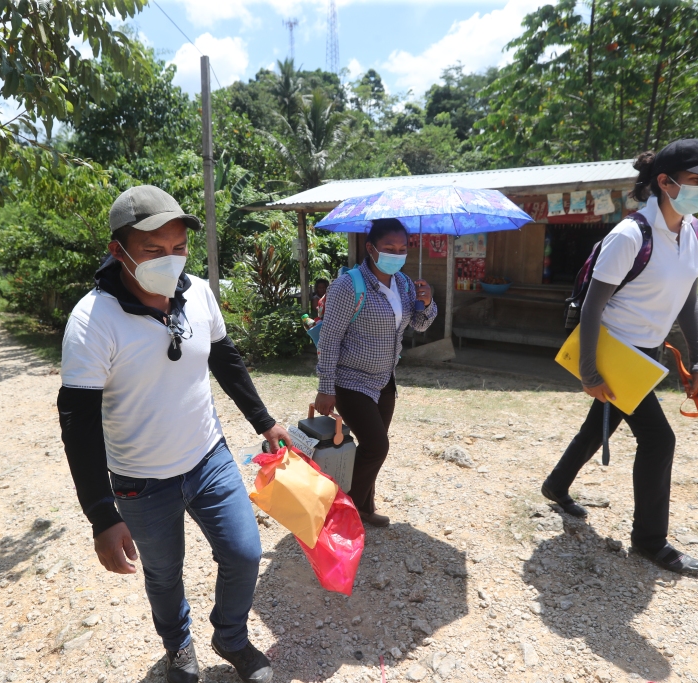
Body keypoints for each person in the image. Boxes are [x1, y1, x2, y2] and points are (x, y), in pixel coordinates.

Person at [57, 185, 289, 683]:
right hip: (141, 481)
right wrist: (101, 513)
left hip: (209, 457)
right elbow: (77, 422)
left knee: (245, 552)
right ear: (119, 251)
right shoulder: (92, 321)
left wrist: (264, 422)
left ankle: (229, 637)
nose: (171, 259)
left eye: (179, 247)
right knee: (163, 574)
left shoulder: (199, 292)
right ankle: (179, 649)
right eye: (153, 250)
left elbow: (225, 358)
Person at [541, 139, 698, 576]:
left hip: (648, 355)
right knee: (659, 439)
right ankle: (650, 540)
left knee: (602, 422)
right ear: (665, 183)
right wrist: (591, 371)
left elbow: (688, 298)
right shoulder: (631, 235)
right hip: (616, 353)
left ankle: (556, 485)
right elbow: (593, 307)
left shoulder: (695, 232)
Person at [313, 218, 437, 528]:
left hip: (385, 381)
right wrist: (326, 387)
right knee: (377, 446)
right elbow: (329, 340)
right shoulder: (348, 285)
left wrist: (428, 302)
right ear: (371, 249)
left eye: (402, 249)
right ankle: (342, 513)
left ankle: (363, 508)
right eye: (389, 248)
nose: (397, 254)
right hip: (351, 381)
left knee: (371, 449)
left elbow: (420, 325)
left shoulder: (406, 284)